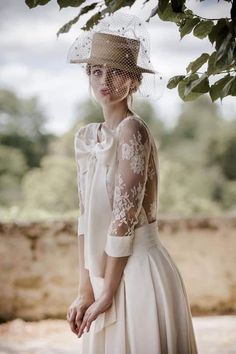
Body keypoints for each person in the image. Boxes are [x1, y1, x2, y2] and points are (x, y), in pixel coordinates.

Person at [66, 12, 198, 354]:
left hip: (137, 271)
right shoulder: (87, 137)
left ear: (135, 81)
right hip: (101, 272)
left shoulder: (133, 130)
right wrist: (85, 289)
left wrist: (108, 292)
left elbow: (123, 221)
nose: (104, 79)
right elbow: (85, 218)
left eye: (116, 71)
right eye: (96, 71)